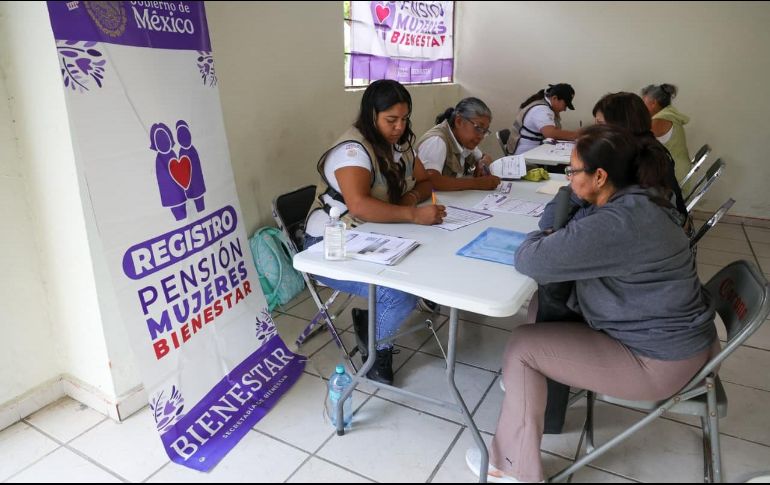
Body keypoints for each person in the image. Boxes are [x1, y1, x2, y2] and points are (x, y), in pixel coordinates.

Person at [466, 124, 716, 483]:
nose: (569, 179)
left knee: (522, 346)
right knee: (542, 305)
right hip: (674, 340)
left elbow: (531, 258)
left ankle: (510, 467)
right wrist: (570, 206)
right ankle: (531, 401)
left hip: (658, 361)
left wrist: (552, 231)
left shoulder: (619, 223)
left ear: (600, 176)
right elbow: (558, 223)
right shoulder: (638, 199)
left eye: (573, 171)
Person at [303, 79, 445, 385]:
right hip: (328, 243)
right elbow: (360, 206)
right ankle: (377, 349)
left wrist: (408, 199)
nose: (399, 127)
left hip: (374, 234)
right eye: (391, 120)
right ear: (371, 116)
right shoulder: (353, 151)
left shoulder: (400, 143)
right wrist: (413, 213)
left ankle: (372, 321)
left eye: (404, 119)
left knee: (428, 264)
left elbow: (425, 182)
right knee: (399, 294)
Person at [416, 97, 501, 191]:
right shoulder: (437, 141)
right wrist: (477, 183)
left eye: (484, 131)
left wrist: (482, 162)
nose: (481, 136)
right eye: (478, 128)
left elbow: (484, 157)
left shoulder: (464, 139)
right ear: (459, 122)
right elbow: (431, 180)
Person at [506, 83, 579, 156]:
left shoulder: (542, 103)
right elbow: (551, 134)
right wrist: (577, 134)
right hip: (524, 155)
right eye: (565, 105)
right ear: (554, 98)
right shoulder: (541, 110)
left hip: (532, 151)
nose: (565, 109)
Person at [641, 83, 691, 181]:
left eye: (643, 103)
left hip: (675, 175)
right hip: (677, 169)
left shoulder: (660, 119)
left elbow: (640, 139)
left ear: (653, 103)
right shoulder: (668, 114)